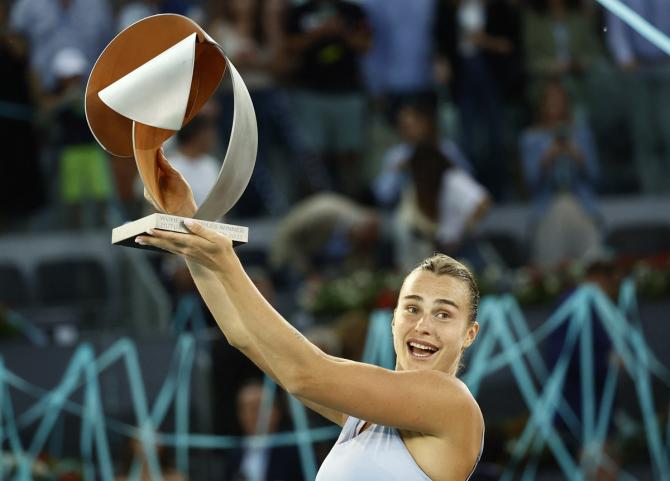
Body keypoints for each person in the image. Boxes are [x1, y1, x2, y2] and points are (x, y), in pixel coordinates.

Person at [134, 155, 485, 481]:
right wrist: (190, 225)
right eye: (412, 308)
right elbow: (244, 336)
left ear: (469, 334)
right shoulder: (363, 416)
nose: (423, 325)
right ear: (393, 319)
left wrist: (226, 260)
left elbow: (305, 374)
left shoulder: (451, 402)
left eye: (443, 313)